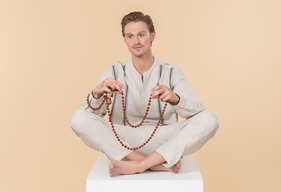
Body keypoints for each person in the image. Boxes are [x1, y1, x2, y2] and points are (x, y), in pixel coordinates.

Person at [70, 11, 219, 177]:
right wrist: (96, 94)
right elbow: (90, 118)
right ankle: (153, 165)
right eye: (130, 36)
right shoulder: (113, 71)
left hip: (163, 140)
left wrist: (175, 99)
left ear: (152, 36)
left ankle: (137, 165)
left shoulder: (172, 72)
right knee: (77, 117)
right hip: (123, 140)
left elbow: (197, 111)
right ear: (125, 40)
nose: (136, 41)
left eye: (141, 35)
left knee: (209, 118)